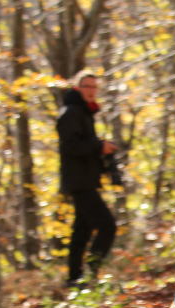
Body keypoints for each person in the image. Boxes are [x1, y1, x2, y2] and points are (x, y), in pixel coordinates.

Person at [56, 71, 117, 287]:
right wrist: (99, 146)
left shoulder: (83, 113)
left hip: (85, 180)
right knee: (107, 226)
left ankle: (74, 278)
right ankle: (91, 273)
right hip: (79, 182)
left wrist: (101, 149)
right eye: (87, 86)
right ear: (77, 88)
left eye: (94, 87)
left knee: (81, 229)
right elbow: (69, 146)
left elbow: (81, 144)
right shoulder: (71, 113)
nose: (91, 91)